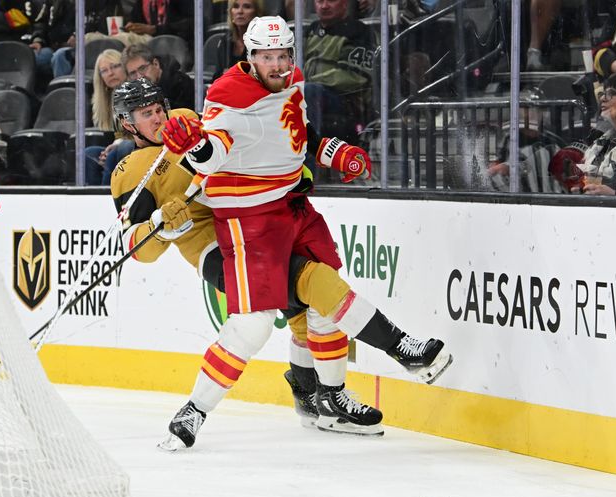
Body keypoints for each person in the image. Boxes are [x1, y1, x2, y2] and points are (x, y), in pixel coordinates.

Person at [158, 17, 452, 449]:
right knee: (253, 325)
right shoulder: (227, 94)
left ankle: (330, 397)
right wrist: (194, 147)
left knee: (323, 301)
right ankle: (195, 410)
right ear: (251, 57)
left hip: (293, 205)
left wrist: (334, 152)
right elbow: (214, 150)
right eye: (267, 57)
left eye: (283, 56)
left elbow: (297, 133)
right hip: (250, 219)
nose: (277, 65)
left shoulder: (292, 80)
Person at [550, 72, 616, 195]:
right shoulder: (601, 138)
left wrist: (615, 195)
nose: (602, 98)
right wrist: (581, 189)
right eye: (603, 93)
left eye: (611, 94)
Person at [303, 0, 378, 142]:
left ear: (345, 3)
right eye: (320, 1)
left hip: (348, 104)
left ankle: (310, 160)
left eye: (331, 0)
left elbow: (353, 77)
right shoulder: (311, 31)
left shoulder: (359, 32)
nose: (324, 6)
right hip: (313, 95)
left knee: (310, 91)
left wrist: (306, 82)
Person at [85, 49, 130, 186]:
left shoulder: (134, 91)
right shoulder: (110, 97)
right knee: (88, 154)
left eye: (115, 66)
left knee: (112, 156)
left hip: (141, 146)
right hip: (122, 145)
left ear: (124, 66)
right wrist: (112, 147)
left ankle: (108, 198)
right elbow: (119, 136)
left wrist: (115, 147)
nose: (110, 73)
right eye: (104, 71)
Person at [122, 43, 194, 110]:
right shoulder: (130, 94)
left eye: (142, 68)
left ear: (156, 63)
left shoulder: (181, 84)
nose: (139, 77)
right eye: (132, 73)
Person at [212, 0, 263, 82]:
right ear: (230, 13)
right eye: (235, 7)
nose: (240, 11)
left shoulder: (263, 41)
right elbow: (216, 77)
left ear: (257, 13)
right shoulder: (225, 40)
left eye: (247, 7)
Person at [126, 0, 194, 46]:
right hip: (148, 39)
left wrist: (155, 29)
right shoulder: (144, 1)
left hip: (176, 42)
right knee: (118, 40)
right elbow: (134, 17)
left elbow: (191, 23)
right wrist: (131, 24)